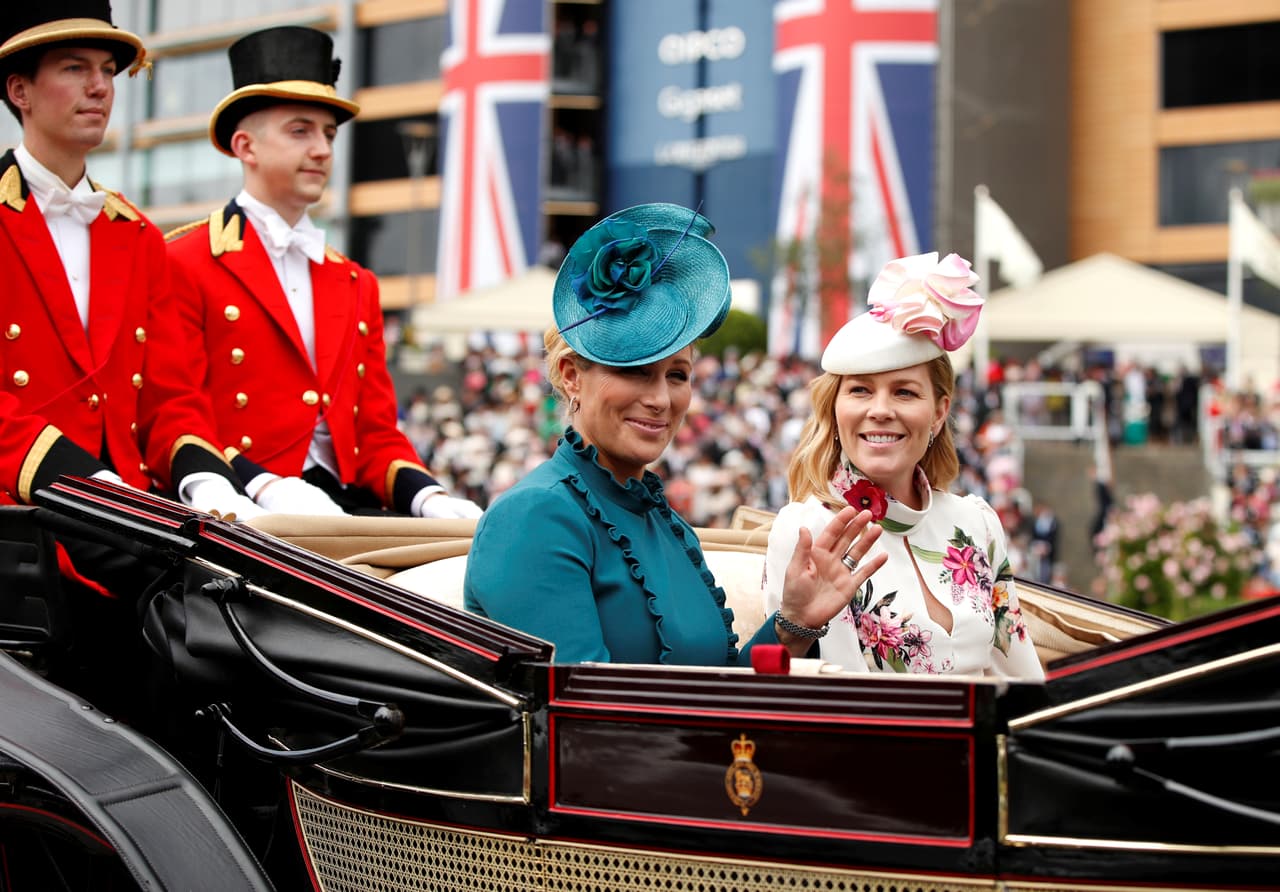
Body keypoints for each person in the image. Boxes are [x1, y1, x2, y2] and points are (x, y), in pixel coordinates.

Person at [464, 203, 886, 665]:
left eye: (677, 375)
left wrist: (792, 624)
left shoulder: (663, 521)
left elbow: (715, 693)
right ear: (570, 375)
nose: (661, 399)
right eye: (636, 371)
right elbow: (581, 718)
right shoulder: (535, 516)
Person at [165, 26, 479, 518]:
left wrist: (429, 495)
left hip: (347, 510)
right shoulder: (183, 260)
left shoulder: (355, 283)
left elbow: (375, 432)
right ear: (246, 147)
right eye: (300, 130)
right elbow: (176, 410)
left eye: (328, 134)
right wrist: (264, 485)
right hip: (237, 504)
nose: (322, 150)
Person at [0, 5, 261, 531]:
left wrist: (207, 481)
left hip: (134, 517)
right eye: (75, 68)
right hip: (23, 513)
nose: (99, 87)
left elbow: (170, 396)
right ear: (19, 91)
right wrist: (88, 483)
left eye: (107, 71)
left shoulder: (137, 234)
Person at [763, 252, 1043, 679]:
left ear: (938, 412)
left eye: (905, 393)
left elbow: (1023, 682)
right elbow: (842, 700)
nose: (880, 410)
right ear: (834, 411)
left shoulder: (978, 523)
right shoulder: (807, 533)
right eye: (860, 391)